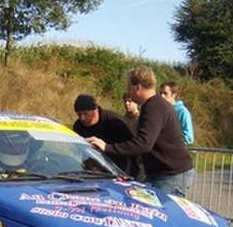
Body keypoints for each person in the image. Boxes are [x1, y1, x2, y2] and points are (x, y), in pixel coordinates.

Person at [86, 66, 195, 197]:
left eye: (128, 87)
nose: (127, 91)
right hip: (164, 173)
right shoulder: (155, 105)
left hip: (171, 175)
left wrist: (107, 147)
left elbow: (144, 143)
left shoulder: (153, 107)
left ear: (138, 87)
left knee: (158, 215)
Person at [72, 94, 136, 175]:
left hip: (122, 169)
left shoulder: (114, 121)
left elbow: (133, 146)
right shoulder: (78, 127)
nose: (82, 118)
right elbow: (81, 152)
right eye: (79, 114)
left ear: (95, 110)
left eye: (85, 113)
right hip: (92, 171)